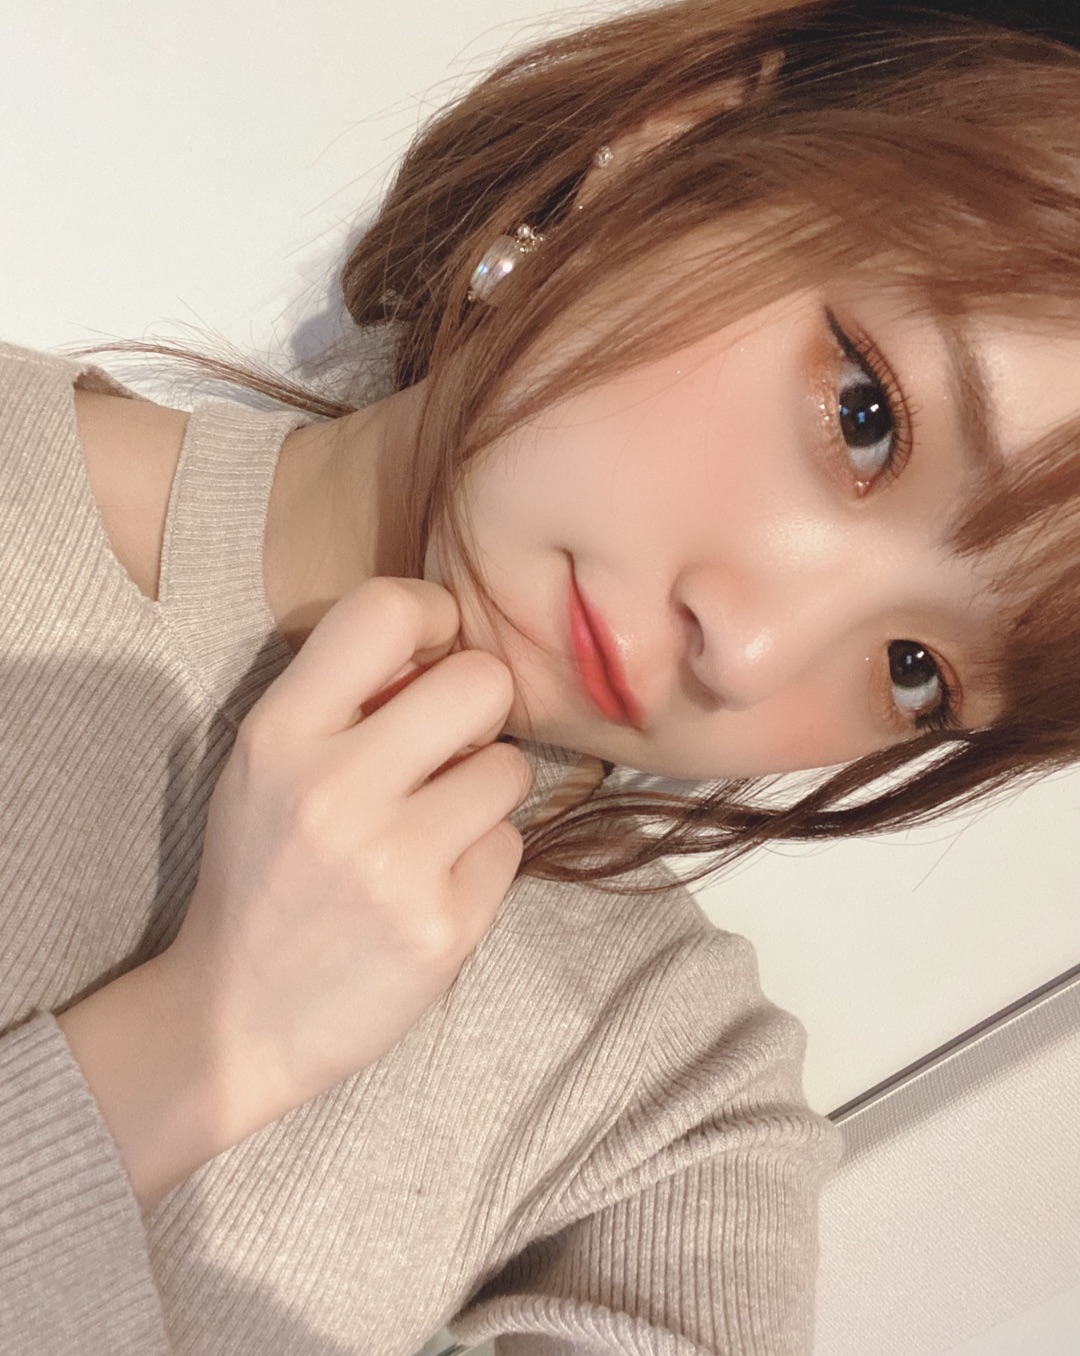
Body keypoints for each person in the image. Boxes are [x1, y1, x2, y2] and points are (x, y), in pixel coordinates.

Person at [3, 0, 1080, 1352]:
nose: (749, 652)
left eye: (916, 672)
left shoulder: (670, 1116)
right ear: (667, 151)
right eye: (865, 416)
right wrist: (190, 1048)